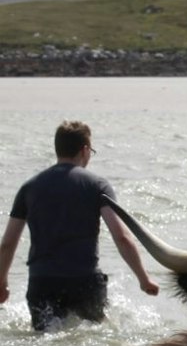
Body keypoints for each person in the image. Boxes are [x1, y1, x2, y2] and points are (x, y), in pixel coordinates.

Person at [1, 120, 162, 331]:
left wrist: (2, 281)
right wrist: (144, 278)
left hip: (43, 283)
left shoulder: (29, 187)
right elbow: (121, 236)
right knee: (92, 335)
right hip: (84, 283)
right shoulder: (97, 185)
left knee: (45, 342)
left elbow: (8, 243)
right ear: (85, 150)